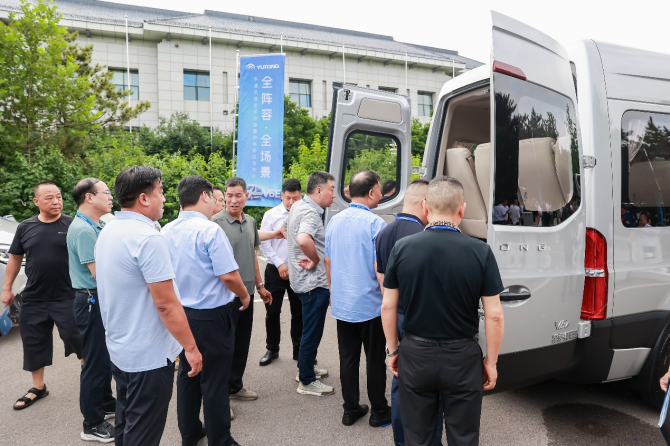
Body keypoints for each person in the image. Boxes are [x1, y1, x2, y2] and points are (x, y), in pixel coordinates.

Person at [381, 176, 505, 446]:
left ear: (425, 206)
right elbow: (494, 315)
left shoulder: (402, 248)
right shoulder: (481, 252)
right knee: (464, 436)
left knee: (418, 437)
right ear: (462, 209)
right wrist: (491, 362)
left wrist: (392, 350)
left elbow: (388, 305)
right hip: (462, 358)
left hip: (415, 354)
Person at [95, 166, 203, 446]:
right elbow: (166, 304)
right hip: (149, 356)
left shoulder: (110, 230)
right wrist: (191, 348)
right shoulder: (148, 238)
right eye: (161, 191)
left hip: (122, 348)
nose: (164, 198)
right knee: (143, 433)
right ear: (144, 198)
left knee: (126, 420)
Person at [163, 176, 250, 446]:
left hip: (181, 314)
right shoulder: (210, 230)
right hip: (211, 316)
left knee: (189, 375)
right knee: (214, 379)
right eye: (214, 197)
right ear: (204, 196)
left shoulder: (166, 230)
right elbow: (228, 275)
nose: (216, 202)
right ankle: (220, 440)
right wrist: (244, 294)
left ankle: (190, 432)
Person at [1, 182, 83, 411]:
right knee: (33, 342)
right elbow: (15, 258)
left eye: (59, 197)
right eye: (49, 198)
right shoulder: (25, 227)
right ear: (36, 201)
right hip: (34, 297)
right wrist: (7, 288)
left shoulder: (72, 225)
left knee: (79, 338)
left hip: (68, 294)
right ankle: (38, 387)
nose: (56, 201)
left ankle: (92, 382)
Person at [375, 179, 444, 445]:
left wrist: (391, 343)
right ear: (425, 203)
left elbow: (383, 281)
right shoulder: (423, 236)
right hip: (420, 320)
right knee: (430, 387)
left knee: (400, 382)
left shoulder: (384, 233)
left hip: (395, 315)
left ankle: (401, 440)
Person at [325, 170, 391, 426]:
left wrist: (333, 291)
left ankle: (350, 409)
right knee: (374, 360)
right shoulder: (376, 224)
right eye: (380, 190)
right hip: (370, 305)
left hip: (343, 304)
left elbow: (328, 261)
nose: (381, 194)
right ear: (372, 192)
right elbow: (379, 269)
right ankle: (379, 411)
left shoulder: (334, 221)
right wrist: (388, 302)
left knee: (348, 358)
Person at [212, 177, 272, 405]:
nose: (233, 200)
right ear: (224, 197)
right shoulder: (215, 223)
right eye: (229, 195)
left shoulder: (250, 221)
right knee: (223, 348)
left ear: (246, 196)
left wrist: (260, 285)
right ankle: (220, 401)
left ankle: (235, 387)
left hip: (248, 293)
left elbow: (253, 254)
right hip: (226, 296)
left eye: (238, 195)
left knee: (241, 344)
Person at [67, 178, 116, 442]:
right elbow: (100, 274)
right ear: (89, 197)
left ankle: (106, 403)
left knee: (103, 359)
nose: (110, 197)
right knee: (94, 363)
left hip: (95, 299)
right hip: (91, 300)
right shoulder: (84, 230)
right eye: (106, 192)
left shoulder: (95, 225)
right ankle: (92, 423)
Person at [283, 171, 336, 396]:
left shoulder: (298, 206)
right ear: (319, 190)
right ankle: (306, 380)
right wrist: (314, 259)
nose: (334, 195)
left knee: (308, 329)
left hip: (301, 280)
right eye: (331, 189)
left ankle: (306, 368)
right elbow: (303, 239)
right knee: (311, 332)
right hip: (313, 282)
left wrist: (295, 256)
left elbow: (285, 229)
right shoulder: (311, 213)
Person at [258, 178, 304, 366]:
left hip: (299, 269)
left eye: (295, 198)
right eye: (287, 198)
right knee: (272, 312)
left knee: (299, 313)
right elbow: (264, 243)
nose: (291, 202)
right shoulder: (271, 215)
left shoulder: (306, 214)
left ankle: (299, 351)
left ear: (301, 196)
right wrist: (279, 264)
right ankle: (272, 349)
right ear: (281, 196)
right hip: (275, 270)